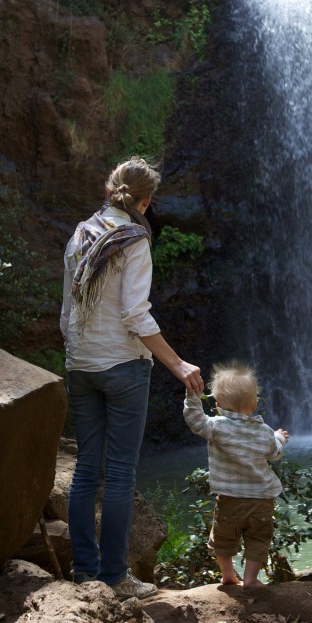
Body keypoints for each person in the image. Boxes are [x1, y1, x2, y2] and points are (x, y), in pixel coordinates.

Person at [60, 156, 204, 600]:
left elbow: (67, 312)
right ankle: (115, 579)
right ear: (146, 200)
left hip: (81, 364)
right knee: (120, 473)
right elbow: (135, 315)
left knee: (86, 470)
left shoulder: (80, 234)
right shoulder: (133, 239)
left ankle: (84, 573)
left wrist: (77, 351)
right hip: (122, 367)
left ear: (109, 190)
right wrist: (178, 365)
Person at [183, 361, 289, 587]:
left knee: (223, 537)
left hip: (229, 498)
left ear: (218, 404)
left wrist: (193, 396)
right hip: (261, 499)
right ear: (254, 404)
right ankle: (251, 579)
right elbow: (275, 453)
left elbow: (195, 421)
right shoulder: (265, 432)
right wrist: (279, 437)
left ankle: (228, 575)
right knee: (258, 538)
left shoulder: (217, 427)